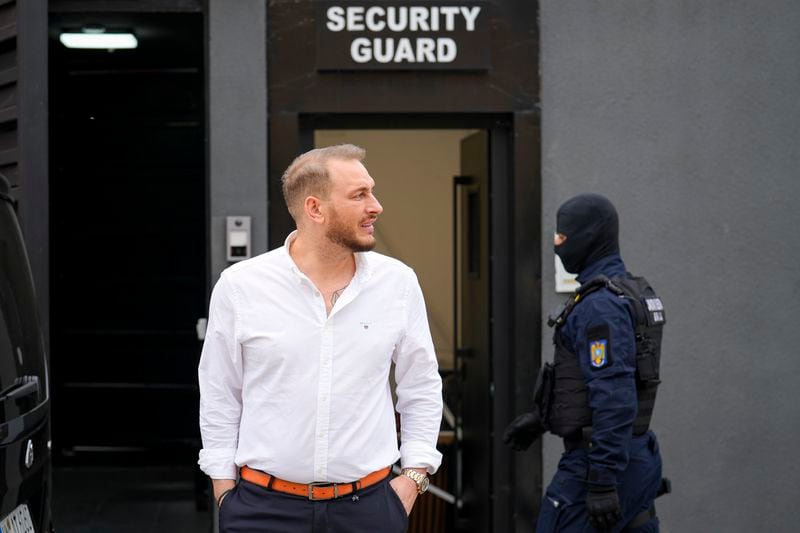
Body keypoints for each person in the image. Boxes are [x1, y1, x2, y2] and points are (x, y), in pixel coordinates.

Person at [198, 144, 443, 532]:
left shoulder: (397, 283)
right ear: (315, 208)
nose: (376, 206)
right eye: (359, 195)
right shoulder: (241, 286)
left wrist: (414, 477)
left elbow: (422, 385)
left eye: (372, 191)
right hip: (262, 511)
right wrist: (224, 489)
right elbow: (220, 393)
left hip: (369, 509)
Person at [503, 193, 666, 532]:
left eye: (563, 235)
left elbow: (614, 395)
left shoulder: (600, 307)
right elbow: (593, 381)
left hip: (599, 461)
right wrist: (543, 418)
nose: (557, 244)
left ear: (588, 237)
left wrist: (602, 479)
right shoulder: (631, 292)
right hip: (636, 456)